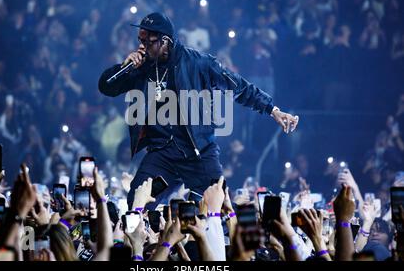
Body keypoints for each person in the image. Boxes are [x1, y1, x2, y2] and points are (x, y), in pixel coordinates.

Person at [99, 12, 300, 209]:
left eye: (148, 41)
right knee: (137, 204)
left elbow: (238, 86)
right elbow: (106, 87)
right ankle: (155, 240)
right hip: (162, 154)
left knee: (219, 208)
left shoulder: (197, 62)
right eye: (140, 39)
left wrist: (272, 109)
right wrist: (124, 67)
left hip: (197, 152)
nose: (142, 45)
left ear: (165, 41)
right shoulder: (141, 67)